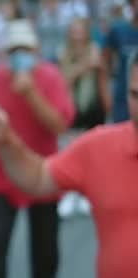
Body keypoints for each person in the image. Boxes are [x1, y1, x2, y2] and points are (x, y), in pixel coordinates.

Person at [0, 49, 138, 278]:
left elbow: (59, 122)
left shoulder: (50, 77)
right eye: (135, 95)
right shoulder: (99, 146)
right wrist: (6, 140)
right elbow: (38, 178)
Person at [0, 19, 75, 278]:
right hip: (1, 174)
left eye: (25, 50)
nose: (19, 56)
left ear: (36, 51)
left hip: (42, 172)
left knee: (45, 252)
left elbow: (59, 125)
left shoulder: (51, 77)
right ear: (6, 53)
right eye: (14, 51)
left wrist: (31, 92)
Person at [57, 18, 107, 218]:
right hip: (71, 106)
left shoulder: (95, 49)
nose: (77, 35)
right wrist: (84, 66)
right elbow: (62, 80)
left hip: (92, 104)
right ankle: (70, 193)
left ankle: (87, 193)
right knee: (70, 150)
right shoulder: (63, 52)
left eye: (81, 31)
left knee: (92, 152)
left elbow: (102, 75)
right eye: (74, 31)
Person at [103, 0, 138, 123]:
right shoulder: (118, 30)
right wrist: (106, 95)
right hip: (122, 99)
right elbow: (105, 63)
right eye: (134, 0)